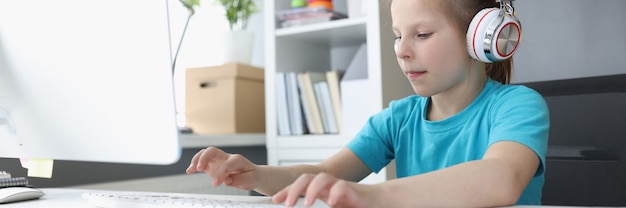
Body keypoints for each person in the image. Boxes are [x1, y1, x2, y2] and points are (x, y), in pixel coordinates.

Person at [186, 0, 550, 207]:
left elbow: (500, 180)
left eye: (422, 35)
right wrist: (257, 174)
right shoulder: (398, 119)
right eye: (397, 36)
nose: (403, 51)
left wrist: (372, 196)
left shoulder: (517, 106)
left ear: (481, 38)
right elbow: (325, 176)